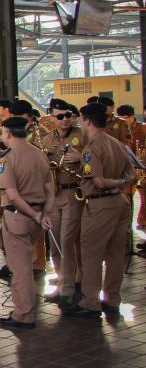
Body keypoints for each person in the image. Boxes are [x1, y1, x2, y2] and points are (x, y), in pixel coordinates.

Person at [63, 102, 136, 320]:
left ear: (87, 121)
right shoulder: (116, 143)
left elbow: (99, 182)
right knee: (115, 254)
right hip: (120, 203)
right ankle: (112, 299)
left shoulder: (91, 149)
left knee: (91, 254)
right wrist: (120, 183)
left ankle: (90, 302)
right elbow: (132, 175)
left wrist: (110, 183)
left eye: (81, 120)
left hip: (100, 204)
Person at [0, 117, 55, 329]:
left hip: (19, 217)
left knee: (20, 269)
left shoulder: (7, 159)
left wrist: (32, 213)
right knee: (27, 265)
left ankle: (24, 314)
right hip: (38, 215)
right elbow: (50, 187)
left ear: (8, 133)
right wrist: (43, 213)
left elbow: (12, 195)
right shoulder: (39, 154)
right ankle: (25, 309)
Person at [40, 100, 85, 307]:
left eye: (68, 115)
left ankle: (71, 286)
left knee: (68, 242)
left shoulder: (82, 136)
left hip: (73, 193)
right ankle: (62, 281)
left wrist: (82, 158)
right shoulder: (48, 139)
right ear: (52, 118)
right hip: (54, 195)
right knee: (55, 243)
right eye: (60, 116)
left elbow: (96, 164)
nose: (65, 120)